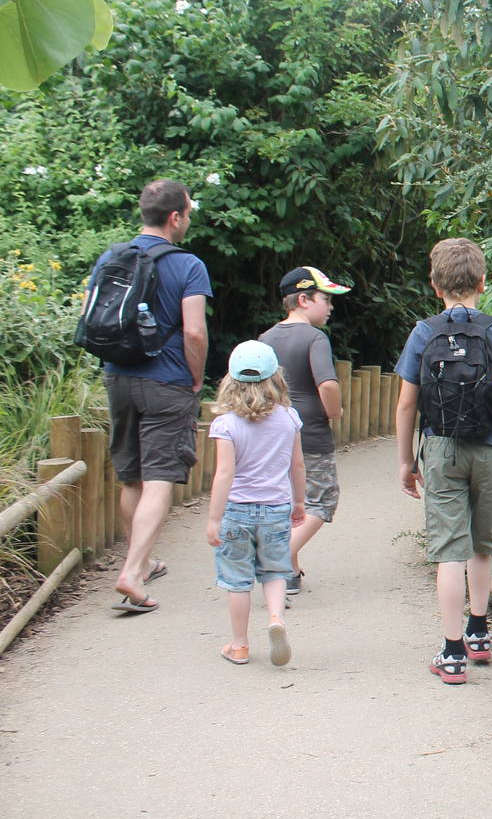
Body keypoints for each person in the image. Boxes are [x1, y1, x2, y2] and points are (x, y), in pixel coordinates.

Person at [394, 238, 492, 685]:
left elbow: (405, 404)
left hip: (440, 448)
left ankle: (452, 652)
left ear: (436, 287)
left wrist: (405, 461)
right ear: (482, 282)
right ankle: (479, 634)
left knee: (448, 552)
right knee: (481, 542)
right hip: (491, 448)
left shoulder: (424, 332)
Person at [93, 179, 211, 614]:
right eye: (188, 215)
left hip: (117, 376)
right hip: (168, 381)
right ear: (175, 217)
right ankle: (132, 570)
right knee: (160, 478)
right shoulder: (188, 265)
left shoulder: (111, 256)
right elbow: (194, 331)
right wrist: (195, 379)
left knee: (132, 476)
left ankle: (141, 562)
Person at [206, 340, 305, 666]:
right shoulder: (289, 418)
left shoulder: (226, 424)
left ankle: (239, 644)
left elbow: (224, 474)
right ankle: (276, 619)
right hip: (276, 508)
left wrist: (214, 519)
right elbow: (297, 465)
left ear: (230, 381)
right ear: (275, 377)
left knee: (237, 581)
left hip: (237, 511)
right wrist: (299, 503)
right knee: (275, 572)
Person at [259, 265, 351, 594]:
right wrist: (334, 410)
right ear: (303, 299)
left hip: (273, 433)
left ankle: (289, 574)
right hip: (310, 432)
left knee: (288, 500)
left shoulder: (265, 339)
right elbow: (326, 383)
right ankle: (280, 557)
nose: (330, 307)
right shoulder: (315, 338)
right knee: (323, 499)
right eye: (325, 299)